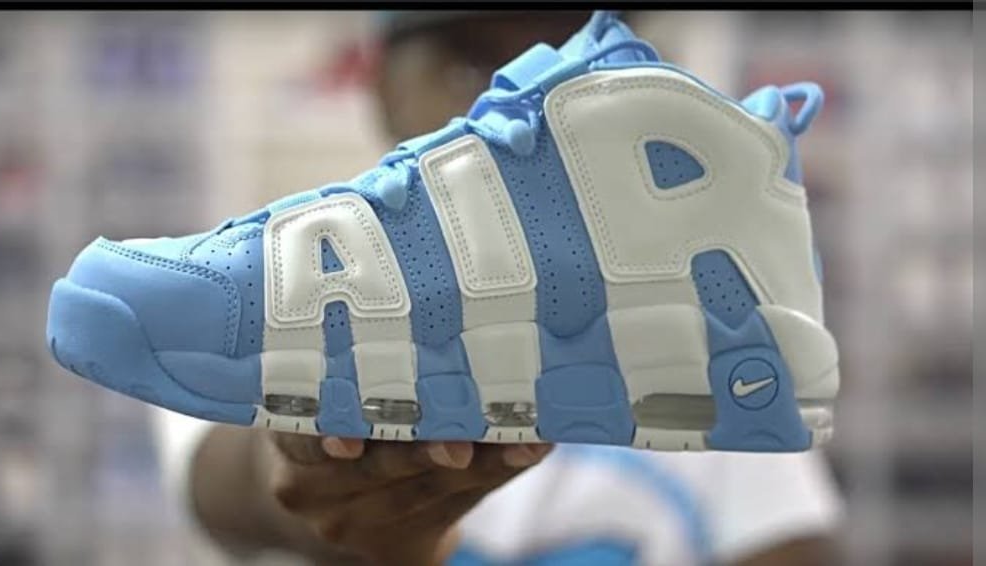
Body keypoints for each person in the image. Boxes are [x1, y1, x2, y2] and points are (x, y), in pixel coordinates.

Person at [153, 11, 843, 566]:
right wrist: (304, 457)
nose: (528, 113)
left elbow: (789, 541)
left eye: (574, 63)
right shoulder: (263, 295)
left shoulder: (712, 342)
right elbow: (230, 483)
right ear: (383, 88)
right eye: (469, 66)